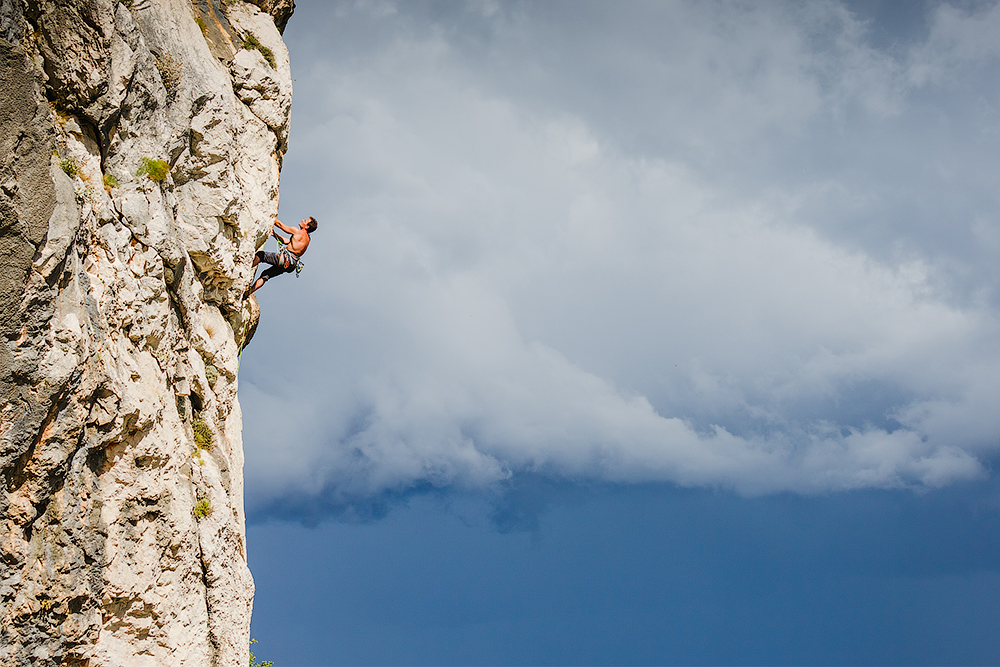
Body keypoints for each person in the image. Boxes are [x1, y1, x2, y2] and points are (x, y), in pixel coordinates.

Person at [245, 216, 317, 298]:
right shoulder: (307, 239)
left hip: (286, 259)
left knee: (261, 255)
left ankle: (245, 268)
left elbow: (280, 225)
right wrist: (274, 235)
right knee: (266, 275)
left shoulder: (297, 231)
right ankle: (247, 294)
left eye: (305, 221)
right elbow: (287, 241)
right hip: (291, 264)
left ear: (307, 226)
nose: (302, 220)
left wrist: (270, 216)